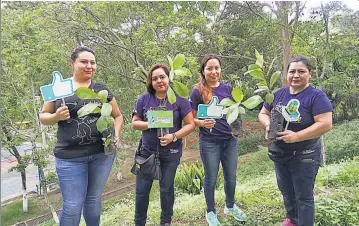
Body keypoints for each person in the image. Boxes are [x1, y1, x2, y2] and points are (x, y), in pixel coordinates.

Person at [39, 46, 124, 226]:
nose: (89, 66)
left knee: (93, 200)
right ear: (72, 63)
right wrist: (55, 116)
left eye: (92, 62)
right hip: (70, 158)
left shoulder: (101, 90)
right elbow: (43, 117)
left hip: (102, 154)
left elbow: (118, 116)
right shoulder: (58, 88)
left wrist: (116, 134)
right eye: (84, 62)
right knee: (72, 206)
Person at [258, 55, 333, 226]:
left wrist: (297, 136)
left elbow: (326, 124)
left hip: (304, 154)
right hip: (280, 153)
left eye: (301, 71)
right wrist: (268, 125)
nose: (296, 75)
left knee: (303, 196)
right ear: (286, 74)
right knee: (286, 190)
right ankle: (292, 219)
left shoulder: (316, 96)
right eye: (292, 71)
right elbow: (263, 113)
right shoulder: (278, 94)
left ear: (310, 74)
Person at [132, 64, 195, 226]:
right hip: (146, 154)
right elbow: (135, 123)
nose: (159, 81)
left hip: (171, 153)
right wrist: (150, 123)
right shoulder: (144, 99)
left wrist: (173, 136)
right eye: (155, 78)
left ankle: (165, 222)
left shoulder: (179, 99)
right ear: (150, 82)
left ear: (168, 78)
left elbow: (190, 124)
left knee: (166, 190)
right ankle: (139, 223)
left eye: (162, 77)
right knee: (141, 192)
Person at [189, 54, 247, 226]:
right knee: (211, 178)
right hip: (209, 142)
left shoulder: (228, 89)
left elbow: (234, 110)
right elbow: (191, 119)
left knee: (231, 176)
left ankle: (230, 206)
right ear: (203, 71)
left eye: (216, 68)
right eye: (209, 68)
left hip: (230, 140)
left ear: (220, 70)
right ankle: (211, 212)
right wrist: (202, 122)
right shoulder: (197, 91)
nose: (214, 71)